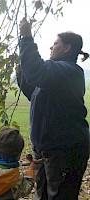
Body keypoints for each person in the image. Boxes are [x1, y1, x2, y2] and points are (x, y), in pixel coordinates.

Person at [17, 17, 90, 200]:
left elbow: (37, 72)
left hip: (65, 150)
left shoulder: (69, 70)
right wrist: (20, 70)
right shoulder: (56, 74)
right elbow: (33, 91)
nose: (51, 47)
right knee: (42, 194)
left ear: (67, 48)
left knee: (60, 196)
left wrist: (26, 37)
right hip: (48, 150)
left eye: (55, 44)